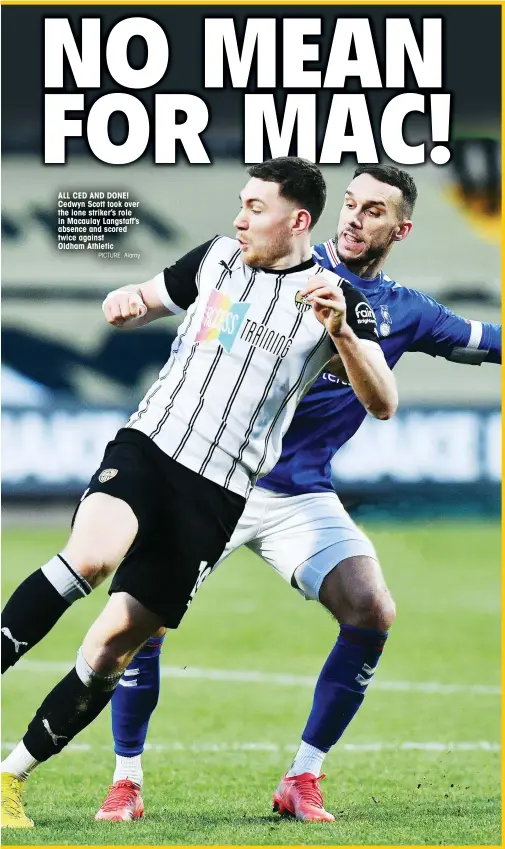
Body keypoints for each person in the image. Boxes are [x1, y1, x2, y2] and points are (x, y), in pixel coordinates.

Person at [92, 165, 502, 824]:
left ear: (401, 228)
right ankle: (125, 779)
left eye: (373, 210)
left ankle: (301, 777)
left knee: (371, 609)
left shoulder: (402, 311)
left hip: (298, 494)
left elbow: (487, 343)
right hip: (213, 480)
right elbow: (177, 296)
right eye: (348, 203)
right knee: (141, 624)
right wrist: (135, 300)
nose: (354, 218)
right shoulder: (275, 271)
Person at [0, 157, 397, 828]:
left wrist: (342, 334)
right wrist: (124, 302)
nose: (240, 217)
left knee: (112, 646)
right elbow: (146, 294)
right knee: (91, 557)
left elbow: (382, 400)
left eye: (255, 208)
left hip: (214, 495)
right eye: (240, 204)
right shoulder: (215, 258)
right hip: (149, 446)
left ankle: (9, 779)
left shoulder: (337, 299)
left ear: (296, 220)